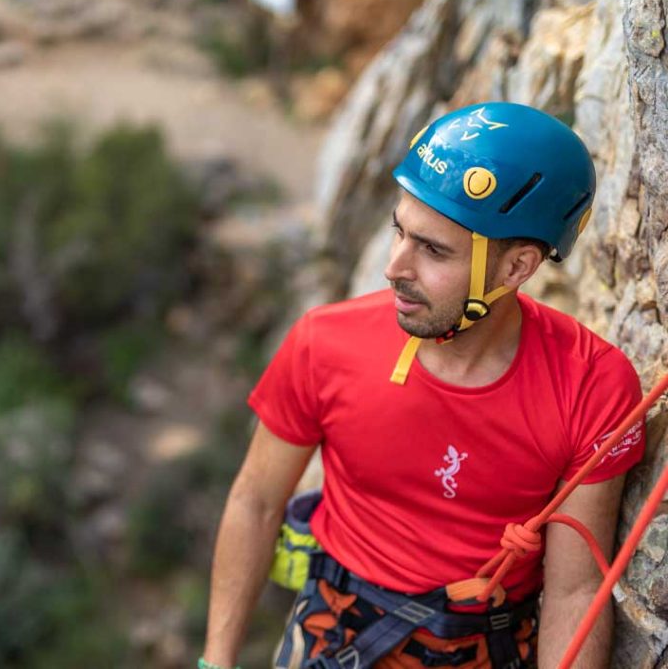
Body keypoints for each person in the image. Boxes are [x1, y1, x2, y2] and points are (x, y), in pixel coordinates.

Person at [200, 102, 646, 669]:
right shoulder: (326, 343)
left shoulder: (591, 387)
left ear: (516, 268)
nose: (395, 266)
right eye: (400, 231)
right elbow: (256, 501)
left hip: (484, 645)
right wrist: (215, 661)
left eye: (433, 249)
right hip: (334, 631)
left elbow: (574, 591)